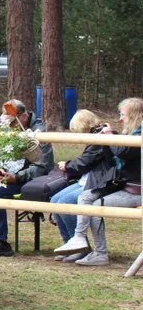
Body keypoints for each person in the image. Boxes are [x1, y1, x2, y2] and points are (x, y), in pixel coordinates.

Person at [55, 98, 143, 266]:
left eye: (123, 115)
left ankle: (99, 253)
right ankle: (79, 238)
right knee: (86, 196)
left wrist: (110, 137)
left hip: (136, 191)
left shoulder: (139, 135)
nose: (120, 119)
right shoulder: (129, 135)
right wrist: (105, 141)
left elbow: (124, 153)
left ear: (134, 116)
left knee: (95, 206)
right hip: (124, 186)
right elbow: (113, 160)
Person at [0, 99, 55, 257]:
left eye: (12, 122)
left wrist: (16, 177)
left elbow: (42, 167)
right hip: (8, 177)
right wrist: (0, 169)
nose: (9, 126)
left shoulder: (40, 133)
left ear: (23, 117)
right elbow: (1, 154)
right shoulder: (11, 130)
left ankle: (0, 241)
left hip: (30, 181)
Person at [49, 110, 106, 262]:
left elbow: (84, 162)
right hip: (87, 179)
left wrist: (67, 165)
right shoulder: (95, 135)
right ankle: (68, 242)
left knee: (64, 202)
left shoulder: (101, 137)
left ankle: (81, 246)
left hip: (98, 182)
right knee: (54, 200)